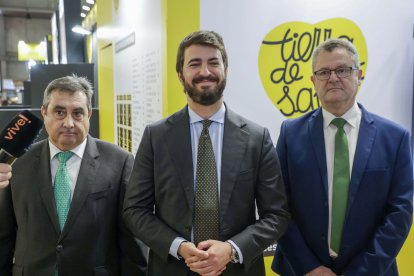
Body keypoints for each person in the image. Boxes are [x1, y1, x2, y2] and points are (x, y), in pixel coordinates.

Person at [123, 30, 290, 276]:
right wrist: (177, 246)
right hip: (173, 267)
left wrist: (232, 249)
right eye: (194, 64)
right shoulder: (155, 137)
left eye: (214, 62)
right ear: (180, 75)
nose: (205, 72)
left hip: (237, 270)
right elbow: (135, 210)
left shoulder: (257, 138)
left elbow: (277, 215)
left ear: (226, 70)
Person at [272, 38, 413, 275]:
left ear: (359, 75)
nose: (333, 78)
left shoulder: (395, 138)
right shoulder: (290, 134)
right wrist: (310, 267)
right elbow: (278, 206)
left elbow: (400, 212)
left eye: (343, 70)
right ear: (313, 81)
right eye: (324, 72)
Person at [0, 75, 147, 275]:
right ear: (44, 113)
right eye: (59, 112)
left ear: (89, 115)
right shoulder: (17, 163)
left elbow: (132, 241)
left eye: (77, 113)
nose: (69, 123)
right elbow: (4, 234)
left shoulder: (119, 162)